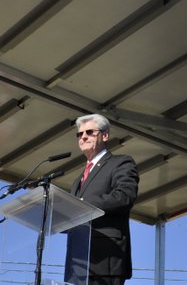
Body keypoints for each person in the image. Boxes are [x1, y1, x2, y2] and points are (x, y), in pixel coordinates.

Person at [65, 114, 139, 285]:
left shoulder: (121, 162)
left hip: (106, 260)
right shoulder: (78, 180)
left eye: (89, 132)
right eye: (80, 134)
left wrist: (81, 206)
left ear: (105, 135)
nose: (83, 137)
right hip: (77, 265)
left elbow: (124, 196)